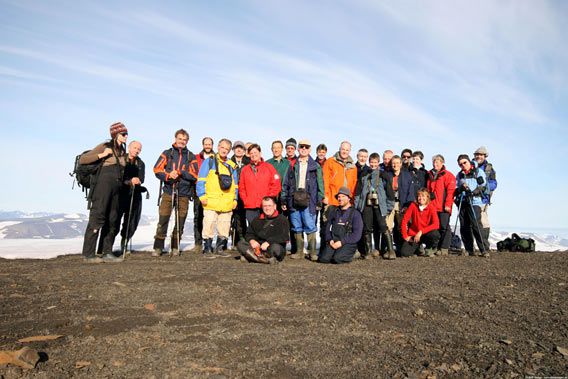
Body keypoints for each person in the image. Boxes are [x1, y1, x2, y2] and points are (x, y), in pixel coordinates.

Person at [80, 122, 128, 263]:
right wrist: (102, 155)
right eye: (123, 134)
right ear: (115, 134)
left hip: (116, 188)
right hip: (102, 187)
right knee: (98, 216)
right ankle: (88, 254)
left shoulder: (122, 151)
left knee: (113, 218)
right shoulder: (105, 146)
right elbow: (84, 159)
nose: (126, 136)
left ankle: (107, 252)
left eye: (126, 134)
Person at [152, 129, 198, 257]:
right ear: (175, 139)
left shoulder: (191, 156)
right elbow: (157, 169)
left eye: (184, 140)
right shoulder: (167, 153)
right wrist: (168, 175)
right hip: (168, 192)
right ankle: (158, 247)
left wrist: (181, 172)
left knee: (180, 222)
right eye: (180, 139)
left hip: (184, 193)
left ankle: (175, 246)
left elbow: (195, 175)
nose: (182, 142)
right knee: (163, 220)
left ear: (187, 141)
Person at [281, 139, 324, 261]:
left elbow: (321, 184)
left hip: (309, 200)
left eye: (306, 147)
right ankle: (299, 252)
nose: (304, 149)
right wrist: (284, 199)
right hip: (294, 199)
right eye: (302, 147)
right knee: (296, 225)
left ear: (310, 149)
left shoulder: (315, 166)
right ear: (298, 149)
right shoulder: (292, 165)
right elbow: (285, 183)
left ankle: (312, 252)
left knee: (310, 226)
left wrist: (320, 199)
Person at [196, 138, 239, 258]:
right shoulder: (209, 161)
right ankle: (207, 248)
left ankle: (220, 248)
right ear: (218, 147)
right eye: (222, 147)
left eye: (227, 149)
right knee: (209, 224)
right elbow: (201, 180)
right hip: (211, 200)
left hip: (227, 202)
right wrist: (202, 195)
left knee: (224, 225)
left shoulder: (232, 165)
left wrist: (235, 199)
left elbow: (235, 185)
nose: (224, 150)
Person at [354, 153, 395, 259]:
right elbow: (358, 191)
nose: (373, 164)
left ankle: (391, 251)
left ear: (378, 162)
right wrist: (358, 205)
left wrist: (389, 207)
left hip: (380, 205)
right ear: (369, 162)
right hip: (366, 205)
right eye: (371, 162)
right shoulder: (363, 175)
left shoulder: (383, 175)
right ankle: (368, 252)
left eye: (375, 162)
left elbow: (390, 192)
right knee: (367, 227)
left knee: (383, 226)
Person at [322, 141, 358, 253]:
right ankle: (325, 248)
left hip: (347, 202)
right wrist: (326, 195)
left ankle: (342, 248)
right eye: (343, 149)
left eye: (347, 150)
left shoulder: (353, 166)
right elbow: (325, 180)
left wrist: (351, 199)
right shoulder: (330, 162)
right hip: (332, 199)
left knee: (344, 226)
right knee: (327, 224)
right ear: (339, 149)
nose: (344, 151)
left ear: (349, 151)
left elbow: (353, 184)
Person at [455, 154, 490, 257]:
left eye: (464, 162)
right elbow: (456, 187)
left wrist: (474, 192)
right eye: (460, 164)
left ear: (469, 161)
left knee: (476, 225)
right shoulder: (460, 175)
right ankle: (469, 249)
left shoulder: (478, 171)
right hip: (463, 201)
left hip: (475, 201)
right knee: (464, 226)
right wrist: (460, 189)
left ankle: (484, 249)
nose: (463, 165)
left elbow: (483, 186)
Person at [115, 140, 146, 254]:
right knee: (115, 219)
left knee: (131, 221)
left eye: (139, 149)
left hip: (135, 194)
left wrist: (137, 180)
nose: (137, 150)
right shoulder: (121, 159)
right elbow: (118, 176)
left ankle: (124, 243)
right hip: (121, 193)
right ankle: (107, 247)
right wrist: (129, 181)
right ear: (129, 147)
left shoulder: (140, 163)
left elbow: (141, 178)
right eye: (135, 148)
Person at [238, 197, 289, 264]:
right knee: (240, 244)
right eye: (265, 206)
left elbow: (284, 236)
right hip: (257, 248)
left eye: (269, 205)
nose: (267, 208)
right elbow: (249, 234)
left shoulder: (282, 219)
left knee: (276, 249)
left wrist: (268, 242)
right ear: (262, 207)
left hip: (272, 247)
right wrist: (252, 240)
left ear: (275, 206)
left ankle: (252, 257)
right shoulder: (256, 220)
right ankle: (266, 260)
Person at [319, 187, 363, 264]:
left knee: (337, 259)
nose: (340, 199)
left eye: (343, 196)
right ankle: (335, 253)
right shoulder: (334, 212)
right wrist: (330, 239)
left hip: (347, 242)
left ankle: (354, 253)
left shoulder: (355, 213)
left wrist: (342, 242)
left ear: (349, 198)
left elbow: (357, 235)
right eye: (339, 197)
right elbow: (327, 228)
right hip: (334, 241)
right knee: (323, 259)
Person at [239, 143, 281, 224]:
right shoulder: (245, 169)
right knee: (253, 229)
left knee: (266, 229)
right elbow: (242, 187)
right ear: (248, 155)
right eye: (251, 153)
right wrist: (246, 200)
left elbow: (276, 184)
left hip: (265, 206)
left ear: (260, 153)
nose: (253, 155)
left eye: (255, 152)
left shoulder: (269, 167)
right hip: (251, 206)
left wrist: (269, 198)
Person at [385, 155, 415, 257]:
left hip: (402, 204)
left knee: (400, 225)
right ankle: (389, 249)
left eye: (398, 163)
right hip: (390, 203)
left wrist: (408, 205)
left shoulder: (407, 175)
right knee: (388, 226)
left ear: (401, 164)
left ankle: (400, 248)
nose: (395, 165)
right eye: (393, 163)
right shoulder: (387, 175)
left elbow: (411, 191)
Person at [426, 154, 456, 256]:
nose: (435, 164)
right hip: (433, 206)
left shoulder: (448, 175)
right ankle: (437, 247)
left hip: (443, 206)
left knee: (444, 227)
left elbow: (451, 192)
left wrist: (448, 204)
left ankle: (444, 247)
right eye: (434, 162)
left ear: (442, 163)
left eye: (437, 162)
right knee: (435, 227)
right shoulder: (430, 175)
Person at [189, 137, 215, 253]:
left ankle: (209, 243)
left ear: (212, 145)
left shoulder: (216, 158)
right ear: (203, 145)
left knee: (211, 218)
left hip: (214, 192)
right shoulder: (196, 158)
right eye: (206, 144)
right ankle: (198, 243)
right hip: (199, 191)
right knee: (198, 216)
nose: (208, 146)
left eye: (209, 144)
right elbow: (192, 172)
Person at [400, 188, 440, 257]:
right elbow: (404, 220)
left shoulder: (431, 207)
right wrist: (405, 236)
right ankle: (419, 249)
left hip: (425, 234)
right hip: (414, 234)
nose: (421, 198)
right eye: (419, 196)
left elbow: (436, 224)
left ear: (427, 197)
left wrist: (421, 231)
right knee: (404, 253)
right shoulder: (413, 205)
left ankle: (429, 248)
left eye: (423, 196)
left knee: (435, 234)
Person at [473, 146, 497, 252]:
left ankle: (484, 245)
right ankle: (472, 247)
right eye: (477, 155)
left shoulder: (489, 169)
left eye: (481, 155)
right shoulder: (469, 166)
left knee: (483, 222)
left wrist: (484, 187)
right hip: (470, 198)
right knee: (471, 222)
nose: (479, 156)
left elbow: (494, 183)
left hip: (483, 199)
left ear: (485, 156)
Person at [229, 141, 250, 250]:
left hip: (244, 194)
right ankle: (231, 241)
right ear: (233, 149)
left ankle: (242, 240)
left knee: (242, 218)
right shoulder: (228, 162)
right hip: (230, 194)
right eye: (237, 148)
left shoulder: (248, 162)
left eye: (241, 148)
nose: (239, 150)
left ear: (244, 150)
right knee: (230, 218)